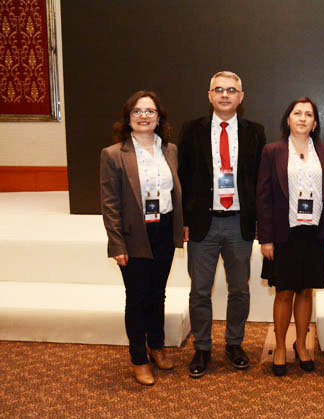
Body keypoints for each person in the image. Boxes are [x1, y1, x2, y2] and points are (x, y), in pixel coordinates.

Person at [178, 71, 266, 378]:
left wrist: (260, 222)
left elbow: (260, 180)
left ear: (241, 97)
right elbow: (183, 177)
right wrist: (184, 221)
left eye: (231, 90)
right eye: (219, 89)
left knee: (239, 289)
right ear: (210, 95)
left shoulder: (255, 132)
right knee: (199, 291)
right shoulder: (192, 130)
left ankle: (234, 344)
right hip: (203, 223)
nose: (225, 95)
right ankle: (202, 347)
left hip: (239, 223)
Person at [100, 91, 184, 386]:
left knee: (157, 293)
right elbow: (110, 204)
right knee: (136, 298)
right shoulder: (113, 154)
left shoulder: (170, 150)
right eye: (137, 111)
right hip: (134, 233)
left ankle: (156, 346)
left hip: (164, 229)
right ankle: (139, 358)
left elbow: (176, 192)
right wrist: (117, 244)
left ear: (159, 118)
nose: (144, 116)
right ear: (128, 118)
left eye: (150, 111)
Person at [257, 97, 324, 376]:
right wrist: (265, 238)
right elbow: (263, 197)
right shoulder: (273, 151)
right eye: (297, 113)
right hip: (283, 233)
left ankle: (301, 344)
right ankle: (279, 346)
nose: (302, 118)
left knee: (306, 290)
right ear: (288, 119)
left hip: (314, 233)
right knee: (284, 291)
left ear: (315, 123)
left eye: (308, 114)